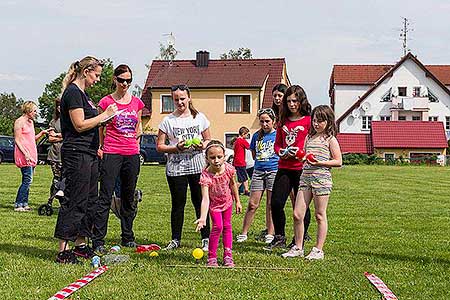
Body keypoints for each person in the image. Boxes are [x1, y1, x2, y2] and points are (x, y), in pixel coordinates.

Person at [54, 56, 118, 264]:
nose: (98, 79)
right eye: (97, 75)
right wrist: (104, 115)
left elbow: (89, 123)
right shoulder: (72, 93)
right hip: (76, 153)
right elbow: (79, 125)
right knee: (75, 199)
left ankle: (81, 245)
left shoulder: (84, 95)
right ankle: (63, 250)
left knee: (90, 201)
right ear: (86, 71)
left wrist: (106, 119)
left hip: (89, 153)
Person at [92, 64, 144, 253]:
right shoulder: (105, 102)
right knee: (105, 196)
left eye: (128, 81)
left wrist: (138, 138)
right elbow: (100, 127)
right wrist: (100, 147)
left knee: (128, 197)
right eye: (121, 80)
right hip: (112, 152)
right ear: (115, 79)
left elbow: (138, 127)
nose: (125, 84)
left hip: (131, 153)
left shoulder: (137, 102)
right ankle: (98, 239)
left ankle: (128, 236)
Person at [282, 105, 342, 260]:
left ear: (329, 122)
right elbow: (305, 156)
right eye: (314, 120)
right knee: (297, 214)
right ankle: (298, 247)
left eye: (320, 121)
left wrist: (320, 163)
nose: (316, 124)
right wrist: (300, 156)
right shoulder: (309, 138)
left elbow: (338, 161)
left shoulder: (330, 139)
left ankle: (318, 250)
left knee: (320, 215)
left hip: (321, 180)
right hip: (305, 177)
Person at [157, 84, 211, 251]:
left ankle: (205, 238)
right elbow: (160, 146)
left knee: (200, 202)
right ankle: (175, 239)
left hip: (197, 165)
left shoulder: (200, 117)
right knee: (178, 203)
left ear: (189, 98)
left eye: (182, 98)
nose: (180, 102)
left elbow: (209, 139)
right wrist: (176, 148)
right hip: (176, 167)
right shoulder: (168, 121)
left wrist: (203, 145)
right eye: (176, 99)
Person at [264, 85, 312, 251]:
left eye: (295, 101)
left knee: (302, 206)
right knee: (276, 203)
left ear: (301, 101)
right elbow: (277, 144)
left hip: (302, 168)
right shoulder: (283, 120)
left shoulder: (308, 120)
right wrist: (281, 152)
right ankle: (279, 237)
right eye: (289, 101)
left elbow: (312, 144)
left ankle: (299, 239)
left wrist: (301, 153)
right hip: (284, 167)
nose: (292, 104)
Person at [195, 140, 242, 267]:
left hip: (227, 202)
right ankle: (212, 257)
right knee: (218, 227)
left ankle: (228, 255)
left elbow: (233, 184)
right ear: (207, 158)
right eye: (212, 157)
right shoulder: (206, 176)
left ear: (224, 156)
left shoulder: (228, 169)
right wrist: (203, 218)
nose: (216, 160)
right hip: (214, 205)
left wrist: (237, 201)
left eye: (219, 157)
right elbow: (205, 198)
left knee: (227, 226)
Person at [236, 108, 278, 244]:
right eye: (262, 121)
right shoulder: (256, 136)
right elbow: (253, 154)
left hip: (273, 171)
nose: (265, 124)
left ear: (273, 121)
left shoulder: (278, 135)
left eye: (267, 121)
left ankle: (270, 233)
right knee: (253, 204)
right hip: (258, 171)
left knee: (271, 204)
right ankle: (244, 232)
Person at [13, 101, 48, 212]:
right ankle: (18, 204)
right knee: (27, 180)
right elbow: (17, 140)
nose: (36, 113)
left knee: (28, 180)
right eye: (34, 111)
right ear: (28, 111)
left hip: (32, 154)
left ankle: (24, 203)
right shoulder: (19, 122)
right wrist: (25, 153)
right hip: (24, 154)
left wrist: (42, 133)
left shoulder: (30, 123)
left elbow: (32, 139)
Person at [47, 98, 63, 198]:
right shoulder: (54, 122)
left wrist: (56, 135)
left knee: (66, 179)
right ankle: (51, 199)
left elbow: (70, 135)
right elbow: (50, 138)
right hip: (55, 156)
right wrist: (61, 136)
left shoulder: (70, 120)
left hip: (66, 155)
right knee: (56, 179)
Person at [233, 126, 251, 196]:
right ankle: (233, 191)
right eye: (247, 134)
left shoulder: (236, 141)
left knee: (245, 177)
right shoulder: (242, 141)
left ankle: (246, 191)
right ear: (243, 134)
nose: (247, 136)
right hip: (240, 162)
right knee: (241, 179)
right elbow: (249, 147)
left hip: (237, 162)